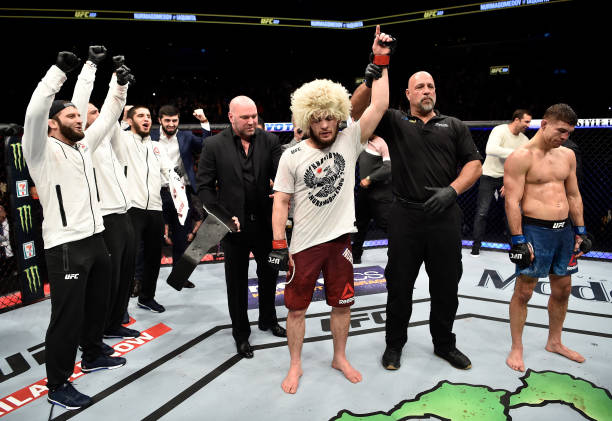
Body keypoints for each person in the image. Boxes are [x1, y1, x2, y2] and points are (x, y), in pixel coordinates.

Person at [269, 25, 392, 394]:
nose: (324, 125)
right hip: (304, 245)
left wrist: (381, 60)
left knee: (343, 306)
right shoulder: (291, 155)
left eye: (329, 118)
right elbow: (281, 201)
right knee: (296, 310)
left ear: (338, 115)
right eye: (317, 118)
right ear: (306, 119)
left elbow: (379, 105)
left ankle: (339, 356)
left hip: (340, 241)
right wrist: (278, 243)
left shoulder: (349, 140)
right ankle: (295, 365)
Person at [351, 66, 482, 371]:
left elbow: (474, 164)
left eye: (430, 86)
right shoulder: (395, 121)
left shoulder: (454, 125)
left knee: (446, 286)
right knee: (399, 286)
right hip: (405, 216)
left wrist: (452, 190)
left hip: (444, 216)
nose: (426, 91)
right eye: (420, 87)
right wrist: (369, 81)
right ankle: (394, 345)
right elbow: (356, 112)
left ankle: (444, 344)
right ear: (408, 94)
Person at [22, 50, 132, 409]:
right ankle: (57, 384)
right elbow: (35, 112)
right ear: (53, 124)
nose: (79, 118)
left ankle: (93, 353)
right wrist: (59, 72)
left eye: (79, 115)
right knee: (67, 318)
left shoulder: (83, 147)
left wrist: (119, 84)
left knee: (98, 305)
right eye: (71, 115)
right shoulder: (39, 150)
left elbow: (110, 114)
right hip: (66, 245)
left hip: (95, 237)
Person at [195, 95, 286, 360]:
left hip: (265, 224)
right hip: (233, 227)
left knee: (269, 275)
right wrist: (222, 216)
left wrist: (281, 191)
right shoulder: (213, 145)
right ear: (231, 117)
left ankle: (268, 319)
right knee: (236, 283)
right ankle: (241, 333)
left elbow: (282, 174)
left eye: (254, 116)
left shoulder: (269, 140)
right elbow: (204, 187)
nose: (251, 121)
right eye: (245, 117)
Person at [504, 103, 591, 372]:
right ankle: (516, 347)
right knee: (524, 291)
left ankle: (555, 342)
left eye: (569, 133)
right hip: (535, 231)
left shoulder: (568, 155)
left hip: (564, 232)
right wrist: (518, 239)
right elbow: (512, 200)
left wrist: (581, 231)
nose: (565, 137)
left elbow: (573, 195)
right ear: (544, 125)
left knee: (563, 289)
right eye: (561, 131)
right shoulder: (521, 157)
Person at [70, 52, 140, 340]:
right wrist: (90, 67)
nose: (98, 115)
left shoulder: (109, 139)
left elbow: (114, 108)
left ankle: (114, 324)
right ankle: (97, 332)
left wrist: (118, 79)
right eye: (91, 112)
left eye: (98, 110)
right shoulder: (82, 142)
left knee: (124, 276)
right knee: (108, 280)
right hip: (105, 217)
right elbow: (82, 103)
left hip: (124, 212)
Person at [112, 105, 172, 313]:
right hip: (131, 208)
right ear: (129, 120)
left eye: (148, 116)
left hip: (155, 207)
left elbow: (167, 173)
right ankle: (119, 309)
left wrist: (175, 185)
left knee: (153, 258)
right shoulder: (122, 140)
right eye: (140, 116)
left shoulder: (157, 146)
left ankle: (147, 298)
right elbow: (111, 128)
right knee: (127, 259)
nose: (146, 119)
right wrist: (122, 116)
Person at [151, 104, 211, 288]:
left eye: (174, 120)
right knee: (151, 237)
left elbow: (206, 145)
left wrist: (204, 122)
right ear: (160, 120)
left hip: (182, 193)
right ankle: (142, 280)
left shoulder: (186, 136)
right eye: (167, 120)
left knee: (181, 237)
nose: (171, 124)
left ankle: (179, 277)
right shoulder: (150, 136)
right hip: (156, 192)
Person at [471, 110, 532, 256]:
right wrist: (516, 153)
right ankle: (476, 247)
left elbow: (523, 163)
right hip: (489, 175)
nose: (528, 125)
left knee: (512, 211)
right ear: (516, 120)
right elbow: (490, 149)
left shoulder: (525, 140)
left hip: (508, 177)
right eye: (526, 121)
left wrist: (510, 181)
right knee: (482, 212)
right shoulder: (499, 130)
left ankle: (515, 247)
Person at [351, 134, 392, 264]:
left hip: (381, 192)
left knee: (387, 225)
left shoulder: (382, 142)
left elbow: (388, 167)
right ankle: (355, 255)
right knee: (359, 224)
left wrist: (370, 178)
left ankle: (396, 255)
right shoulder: (361, 142)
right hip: (364, 191)